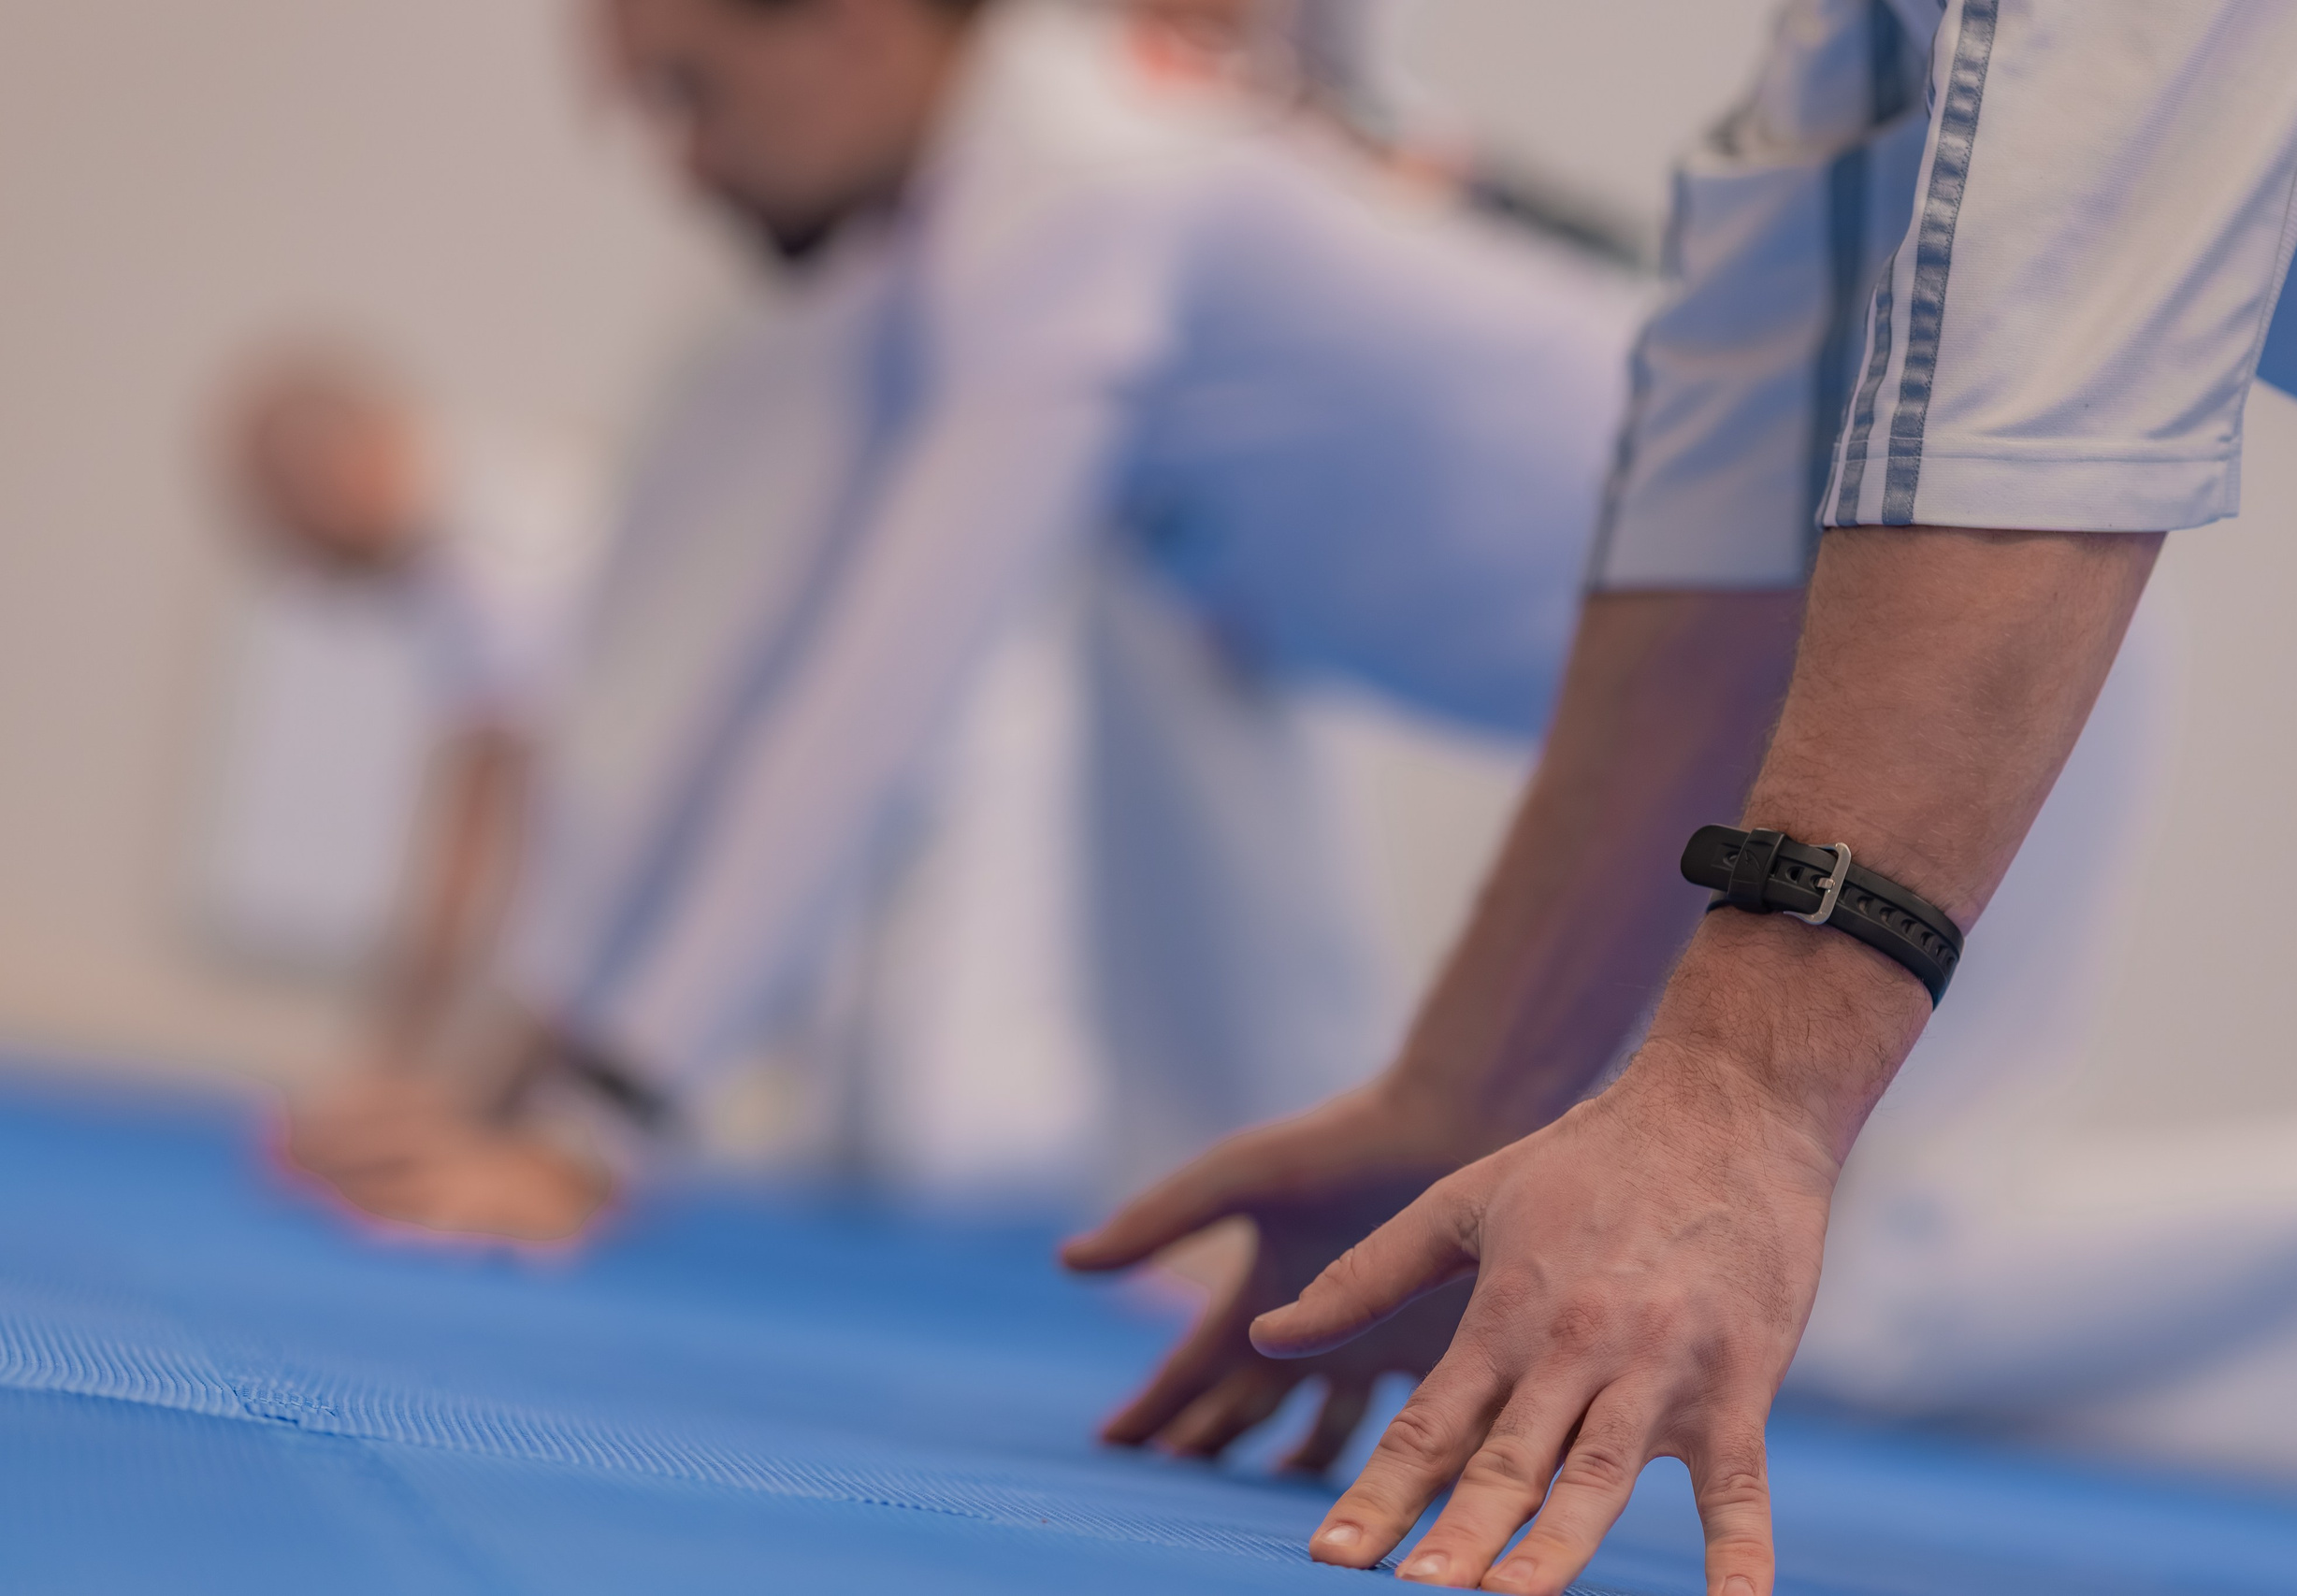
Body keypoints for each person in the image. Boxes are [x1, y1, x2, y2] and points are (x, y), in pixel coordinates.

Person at [1061, 3, 2297, 1593]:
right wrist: (1483, 1081)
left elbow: (2058, 392)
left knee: (1846, 1268)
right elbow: (1767, 421)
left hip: (1996, 647)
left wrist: (1740, 1093)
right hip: (1949, 632)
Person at [281, 0, 1646, 1235]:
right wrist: (515, 1084)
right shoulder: (977, 207)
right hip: (1639, 649)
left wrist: (594, 1137)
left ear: (859, 30)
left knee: (1836, 1331)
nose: (681, 164)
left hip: (1772, 617)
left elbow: (866, 708)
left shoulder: (1076, 179)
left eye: (690, 93)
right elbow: (738, 666)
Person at [210, 354, 597, 1071]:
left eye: (292, 499)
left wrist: (386, 1067)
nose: (293, 540)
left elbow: (475, 849)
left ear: (359, 453)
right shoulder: (493, 500)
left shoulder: (489, 561)